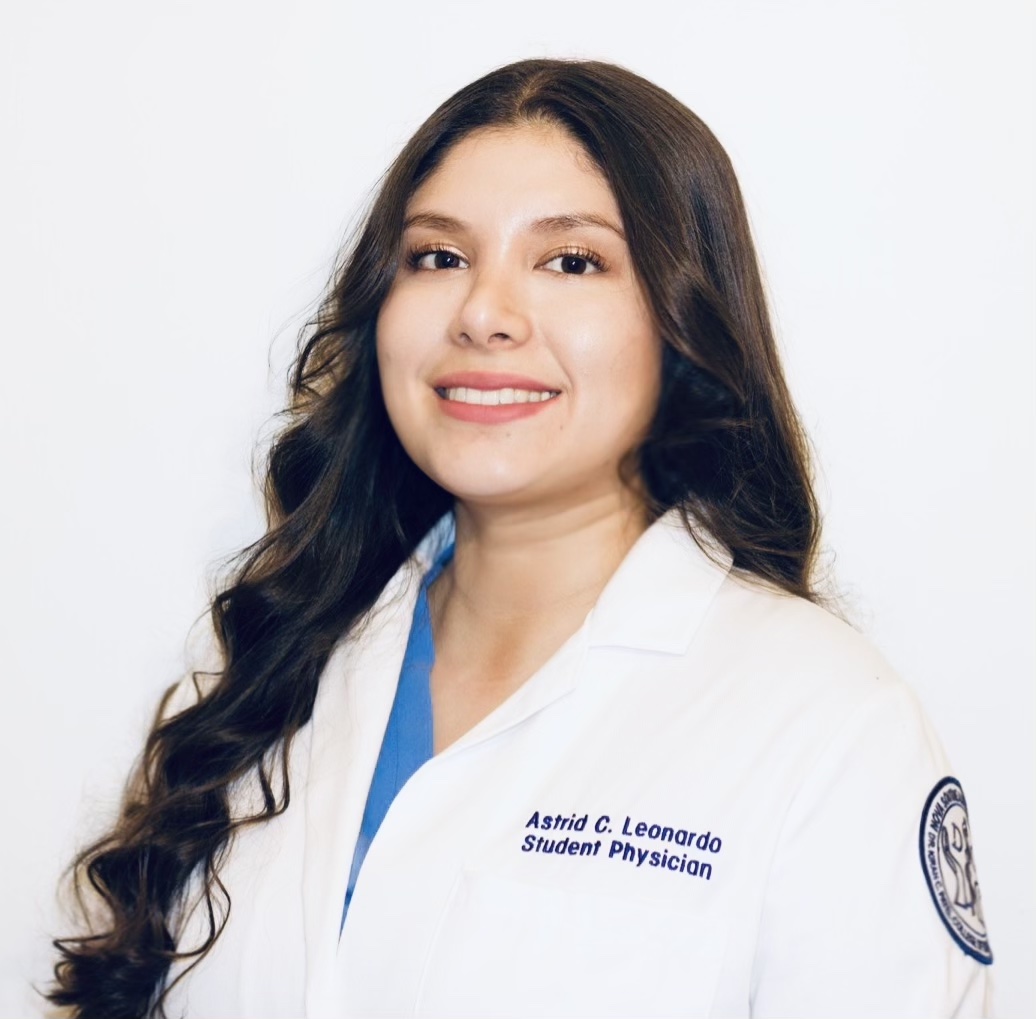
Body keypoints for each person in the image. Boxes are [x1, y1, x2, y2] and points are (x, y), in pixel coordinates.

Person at [48, 58, 993, 1018]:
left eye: (571, 261)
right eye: (438, 256)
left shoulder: (831, 725)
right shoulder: (260, 676)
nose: (483, 313)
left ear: (683, 323)